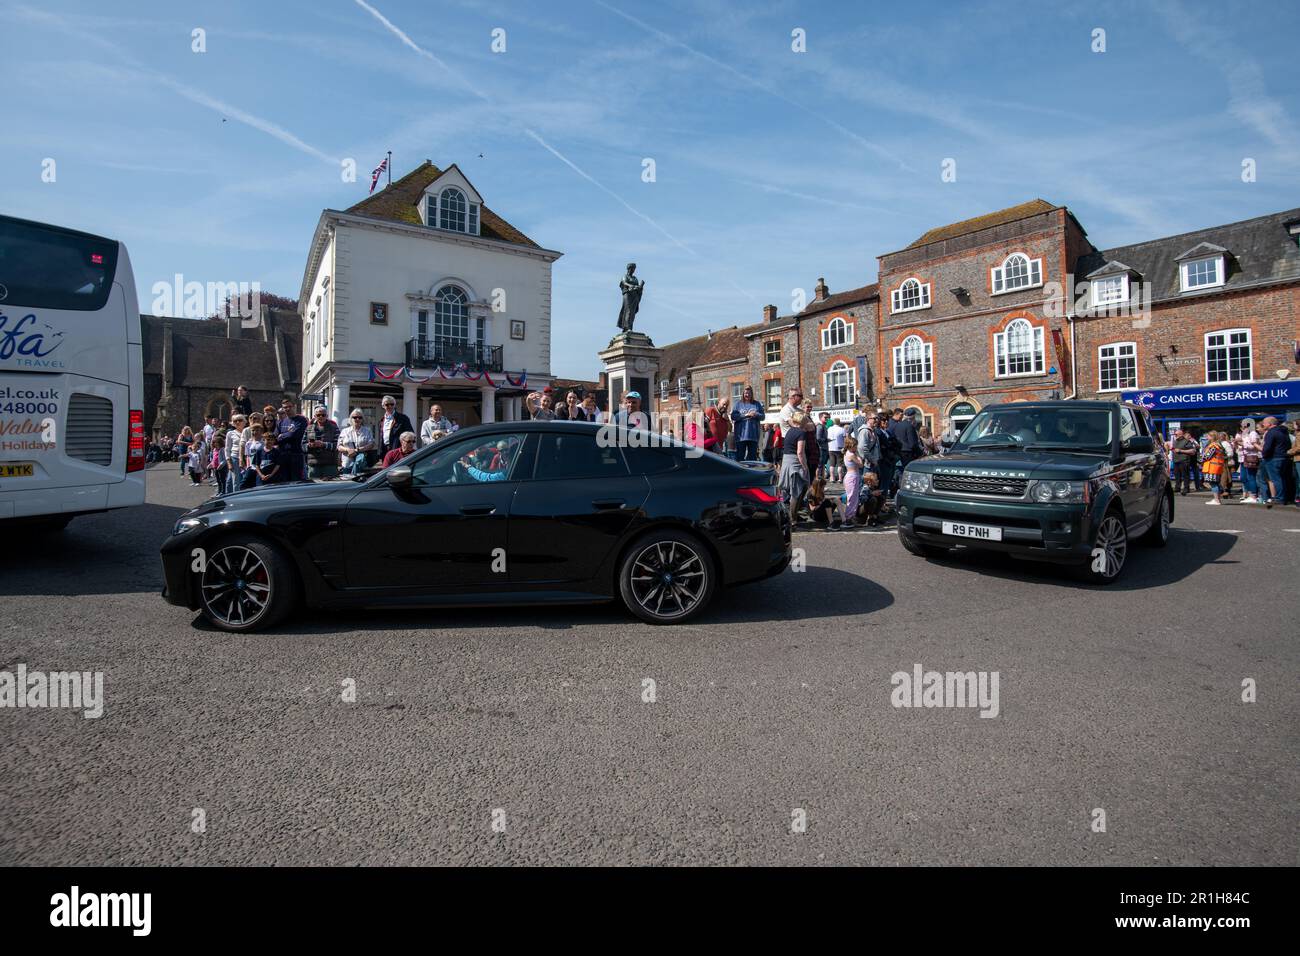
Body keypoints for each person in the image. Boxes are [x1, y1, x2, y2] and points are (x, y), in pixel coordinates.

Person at [779, 411, 809, 526]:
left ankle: (794, 516)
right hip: (795, 462)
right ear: (802, 420)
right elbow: (800, 452)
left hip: (786, 460)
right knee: (797, 490)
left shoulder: (790, 431)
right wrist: (805, 467)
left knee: (797, 489)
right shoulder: (801, 432)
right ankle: (793, 519)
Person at [1260, 416, 1290, 508]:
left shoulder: (1271, 432)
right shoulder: (1284, 432)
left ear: (1270, 423)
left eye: (1264, 423)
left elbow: (1267, 447)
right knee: (1282, 478)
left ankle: (1279, 498)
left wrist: (1264, 454)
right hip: (1283, 457)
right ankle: (1284, 497)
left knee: (1275, 479)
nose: (1263, 425)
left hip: (1273, 458)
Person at [275, 399, 309, 482]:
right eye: (285, 407)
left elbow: (295, 435)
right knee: (284, 480)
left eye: (289, 406)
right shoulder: (281, 422)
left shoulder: (301, 420)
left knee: (296, 480)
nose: (287, 409)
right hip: (283, 455)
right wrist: (287, 434)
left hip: (296, 455)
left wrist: (282, 436)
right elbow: (275, 437)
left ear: (294, 406)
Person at [375, 395, 414, 461]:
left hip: (398, 450)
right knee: (386, 469)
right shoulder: (381, 421)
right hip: (385, 450)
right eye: (387, 404)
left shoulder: (403, 418)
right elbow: (381, 438)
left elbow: (410, 433)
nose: (390, 406)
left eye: (392, 404)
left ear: (394, 405)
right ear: (383, 406)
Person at [338, 409, 376, 476]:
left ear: (362, 419)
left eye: (360, 417)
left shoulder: (367, 430)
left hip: (362, 464)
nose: (357, 419)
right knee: (346, 483)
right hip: (347, 462)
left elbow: (371, 444)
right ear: (351, 419)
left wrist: (357, 450)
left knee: (358, 482)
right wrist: (348, 450)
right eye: (355, 417)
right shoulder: (345, 431)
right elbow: (339, 446)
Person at [731, 386, 764, 462]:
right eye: (746, 393)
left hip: (753, 436)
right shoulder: (738, 404)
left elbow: (763, 417)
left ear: (752, 394)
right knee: (740, 458)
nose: (747, 395)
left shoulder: (757, 404)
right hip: (741, 436)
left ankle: (752, 473)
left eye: (749, 393)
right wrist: (745, 415)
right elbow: (733, 416)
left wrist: (756, 414)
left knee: (752, 459)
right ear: (743, 394)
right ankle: (740, 473)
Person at [306, 406, 340, 480]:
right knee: (313, 488)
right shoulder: (308, 428)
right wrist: (309, 445)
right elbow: (302, 445)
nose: (321, 417)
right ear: (315, 416)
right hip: (313, 465)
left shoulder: (334, 428)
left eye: (323, 415)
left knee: (331, 488)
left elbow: (338, 445)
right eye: (318, 415)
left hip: (329, 465)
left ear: (327, 416)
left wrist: (324, 444)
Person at [842, 434, 862, 526]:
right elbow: (860, 464)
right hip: (852, 476)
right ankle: (849, 517)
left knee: (853, 497)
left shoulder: (847, 452)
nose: (856, 448)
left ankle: (851, 516)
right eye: (855, 446)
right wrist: (858, 455)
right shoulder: (851, 454)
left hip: (850, 476)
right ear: (851, 446)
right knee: (852, 498)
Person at [1200, 432, 1226, 504]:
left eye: (1208, 436)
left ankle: (1216, 500)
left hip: (1212, 467)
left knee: (1213, 483)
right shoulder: (1218, 445)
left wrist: (1200, 460)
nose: (1207, 437)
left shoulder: (1213, 446)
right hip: (1217, 466)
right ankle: (1218, 499)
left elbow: (1207, 456)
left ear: (1212, 437)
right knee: (1216, 483)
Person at [224, 413, 247, 494]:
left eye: (240, 420)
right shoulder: (230, 433)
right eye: (235, 421)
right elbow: (227, 449)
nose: (237, 422)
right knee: (236, 481)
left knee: (244, 479)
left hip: (246, 458)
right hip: (235, 458)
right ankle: (236, 499)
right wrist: (229, 462)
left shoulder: (247, 431)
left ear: (244, 422)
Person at [1171, 428, 1197, 495]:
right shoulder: (1175, 441)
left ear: (1180, 434)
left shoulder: (1186, 441)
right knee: (1177, 475)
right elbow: (1174, 449)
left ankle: (1186, 488)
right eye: (1174, 434)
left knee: (1185, 475)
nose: (1175, 435)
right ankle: (1177, 488)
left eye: (1176, 434)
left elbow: (1192, 451)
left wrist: (1180, 451)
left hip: (1184, 460)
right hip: (1176, 460)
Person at [241, 424, 266, 488]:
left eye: (257, 430)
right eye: (253, 430)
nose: (255, 432)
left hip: (260, 468)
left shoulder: (263, 443)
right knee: (244, 485)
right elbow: (247, 456)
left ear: (261, 432)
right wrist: (248, 466)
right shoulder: (249, 443)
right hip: (251, 467)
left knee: (258, 485)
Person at [827, 417, 846, 482]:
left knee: (832, 464)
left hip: (830, 448)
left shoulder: (829, 429)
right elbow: (845, 439)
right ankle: (840, 479)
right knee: (839, 464)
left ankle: (832, 478)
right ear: (839, 422)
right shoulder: (842, 429)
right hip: (839, 448)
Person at [816, 413, 831, 481]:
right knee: (819, 466)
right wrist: (826, 440)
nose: (827, 419)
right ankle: (817, 483)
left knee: (822, 466)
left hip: (823, 448)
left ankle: (821, 483)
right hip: (820, 449)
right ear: (820, 418)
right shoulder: (820, 426)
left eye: (828, 418)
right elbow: (818, 438)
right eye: (825, 417)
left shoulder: (823, 426)